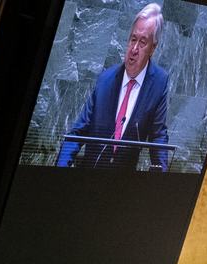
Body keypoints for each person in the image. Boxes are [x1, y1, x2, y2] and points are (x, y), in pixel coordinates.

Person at [56, 3, 171, 171]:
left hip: (122, 184)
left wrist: (160, 180)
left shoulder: (159, 82)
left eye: (143, 42)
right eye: (133, 39)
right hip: (89, 176)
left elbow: (158, 135)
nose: (134, 49)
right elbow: (78, 132)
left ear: (153, 47)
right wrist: (59, 170)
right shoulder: (106, 80)